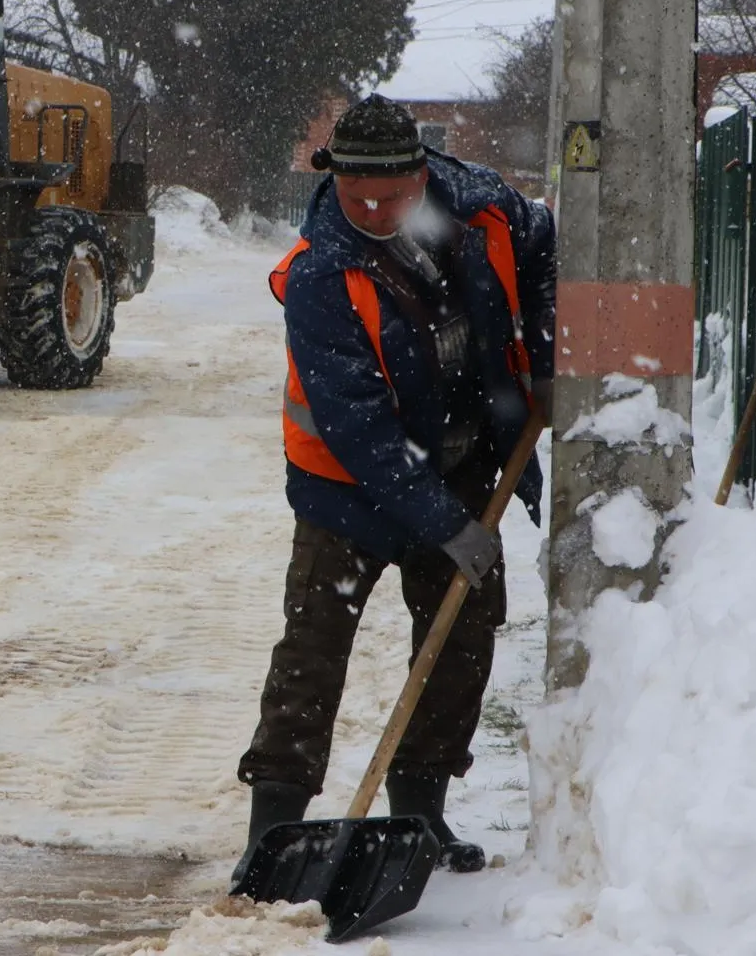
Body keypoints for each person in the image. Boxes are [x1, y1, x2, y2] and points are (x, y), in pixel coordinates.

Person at [231, 95, 555, 886]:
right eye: (355, 196)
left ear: (423, 170)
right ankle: (273, 828)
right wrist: (444, 523)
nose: (374, 211)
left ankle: (419, 808)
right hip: (348, 486)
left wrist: (544, 349)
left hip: (468, 455)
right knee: (312, 650)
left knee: (460, 639)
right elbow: (360, 428)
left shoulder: (483, 208)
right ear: (332, 179)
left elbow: (546, 250)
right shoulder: (319, 273)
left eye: (392, 195)